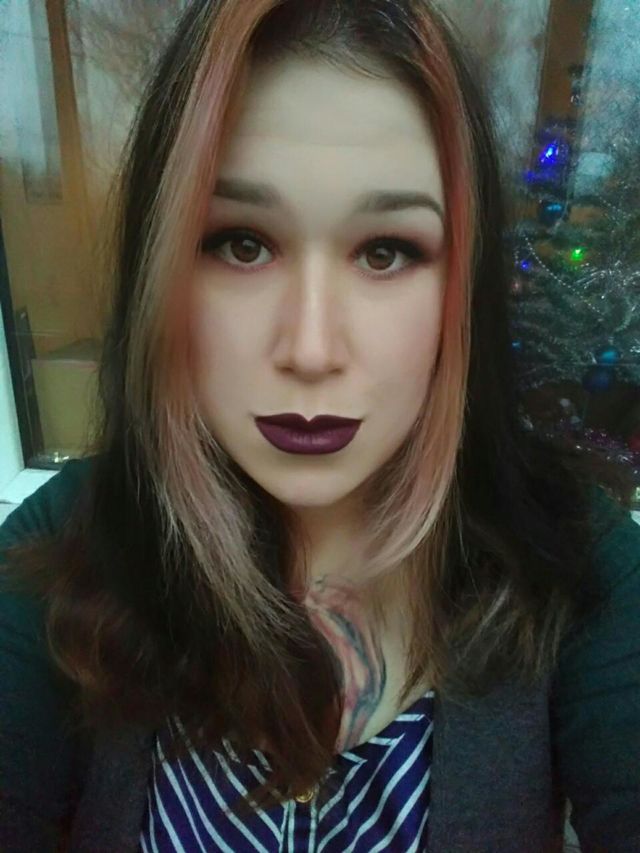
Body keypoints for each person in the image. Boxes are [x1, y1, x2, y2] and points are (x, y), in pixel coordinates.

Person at [1, 1, 639, 850]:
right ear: (162, 269)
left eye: (386, 251)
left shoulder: (582, 563)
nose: (309, 349)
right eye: (240, 242)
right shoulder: (65, 544)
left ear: (463, 288)